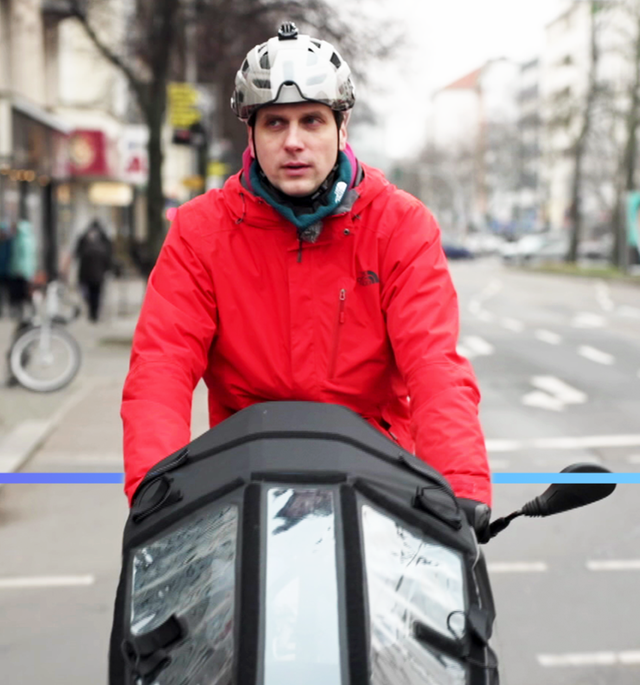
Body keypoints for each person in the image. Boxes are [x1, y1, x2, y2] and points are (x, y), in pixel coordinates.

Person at [121, 22, 492, 513]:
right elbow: (161, 365)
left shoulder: (399, 225)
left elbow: (433, 364)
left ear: (342, 127)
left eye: (311, 121)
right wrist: (155, 489)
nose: (293, 141)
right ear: (251, 133)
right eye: (275, 122)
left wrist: (461, 488)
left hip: (378, 481)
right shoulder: (200, 230)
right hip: (242, 480)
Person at [74, 219, 113, 322]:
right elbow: (109, 255)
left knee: (90, 293)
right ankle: (94, 313)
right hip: (97, 273)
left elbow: (77, 253)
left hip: (87, 273)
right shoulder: (104, 240)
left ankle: (93, 313)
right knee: (96, 294)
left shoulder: (84, 238)